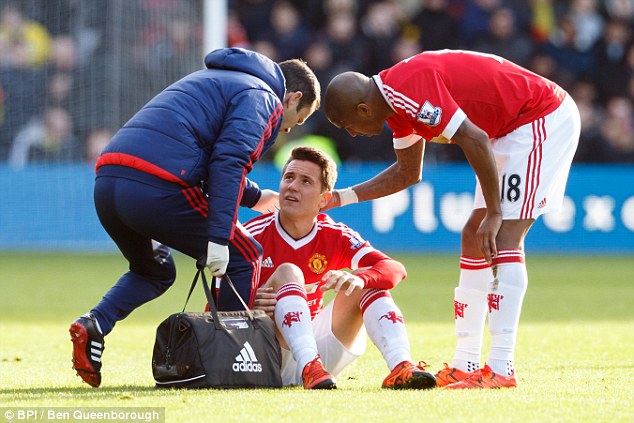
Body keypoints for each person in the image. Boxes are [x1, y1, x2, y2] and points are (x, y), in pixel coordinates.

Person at [323, 50, 580, 389]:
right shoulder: (395, 106)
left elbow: (473, 137)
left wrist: (495, 211)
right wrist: (341, 197)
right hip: (508, 128)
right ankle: (466, 364)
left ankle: (501, 367)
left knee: (503, 236)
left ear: (363, 109)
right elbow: (408, 173)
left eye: (347, 126)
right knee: (474, 235)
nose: (352, 134)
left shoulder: (407, 91)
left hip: (540, 117)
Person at [69, 47, 321, 388]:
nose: (289, 130)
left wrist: (256, 196)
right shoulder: (263, 97)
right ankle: (231, 366)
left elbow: (204, 155)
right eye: (298, 120)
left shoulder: (219, 79)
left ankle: (94, 324)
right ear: (293, 98)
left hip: (109, 182)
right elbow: (228, 162)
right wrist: (219, 239)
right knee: (244, 256)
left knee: (154, 269)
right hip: (156, 185)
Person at [245, 146, 436, 390]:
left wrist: (362, 279)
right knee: (288, 272)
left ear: (324, 199)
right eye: (289, 178)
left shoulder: (334, 234)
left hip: (318, 356)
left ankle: (401, 366)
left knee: (368, 281)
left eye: (305, 181)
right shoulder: (252, 235)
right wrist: (248, 300)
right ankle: (309, 366)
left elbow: (394, 268)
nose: (292, 186)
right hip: (267, 355)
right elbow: (214, 306)